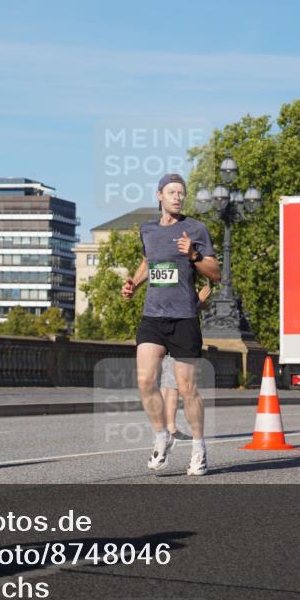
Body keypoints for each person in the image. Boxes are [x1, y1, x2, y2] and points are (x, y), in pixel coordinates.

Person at [121, 174, 220, 475]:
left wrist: (193, 254)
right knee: (144, 381)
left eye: (182, 193)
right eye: (172, 192)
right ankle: (162, 436)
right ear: (159, 195)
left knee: (188, 388)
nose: (178, 197)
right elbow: (148, 262)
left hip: (184, 318)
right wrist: (133, 284)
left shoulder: (195, 229)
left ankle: (199, 448)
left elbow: (215, 273)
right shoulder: (148, 230)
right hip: (153, 316)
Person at [160, 282, 212, 440]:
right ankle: (169, 428)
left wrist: (200, 303)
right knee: (173, 384)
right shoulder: (174, 279)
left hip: (173, 336)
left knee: (170, 383)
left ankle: (168, 427)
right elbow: (176, 309)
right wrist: (197, 300)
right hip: (177, 337)